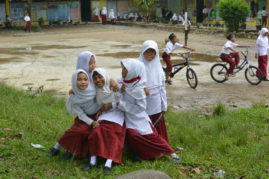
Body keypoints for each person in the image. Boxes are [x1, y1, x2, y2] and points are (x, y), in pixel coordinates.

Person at [116, 58, 181, 162]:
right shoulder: (121, 81)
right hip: (128, 118)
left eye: (125, 69)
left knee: (152, 136)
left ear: (133, 71)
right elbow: (115, 91)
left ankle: (171, 153)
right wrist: (119, 89)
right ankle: (142, 154)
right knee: (133, 136)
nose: (122, 71)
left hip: (139, 118)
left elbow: (141, 107)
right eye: (123, 68)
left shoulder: (138, 88)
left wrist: (122, 104)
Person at [47, 69, 100, 161]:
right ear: (74, 81)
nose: (83, 82)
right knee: (78, 130)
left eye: (85, 79)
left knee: (82, 131)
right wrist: (91, 122)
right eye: (79, 80)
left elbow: (106, 87)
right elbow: (81, 114)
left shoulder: (94, 89)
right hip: (84, 117)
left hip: (98, 116)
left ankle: (64, 149)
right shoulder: (74, 97)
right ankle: (64, 149)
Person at [83, 68, 125, 175]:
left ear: (105, 76)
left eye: (100, 77)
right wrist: (73, 90)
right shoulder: (96, 91)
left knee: (113, 134)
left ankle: (108, 163)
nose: (98, 80)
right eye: (95, 78)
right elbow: (82, 89)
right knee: (95, 132)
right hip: (104, 116)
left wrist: (110, 105)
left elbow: (123, 102)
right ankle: (93, 161)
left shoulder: (115, 87)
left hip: (117, 115)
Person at [139, 40, 169, 142]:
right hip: (142, 102)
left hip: (156, 104)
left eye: (152, 52)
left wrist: (164, 105)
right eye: (147, 51)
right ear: (142, 51)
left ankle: (160, 146)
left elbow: (162, 88)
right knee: (143, 124)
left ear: (156, 53)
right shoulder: (138, 67)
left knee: (156, 123)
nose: (149, 54)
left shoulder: (159, 69)